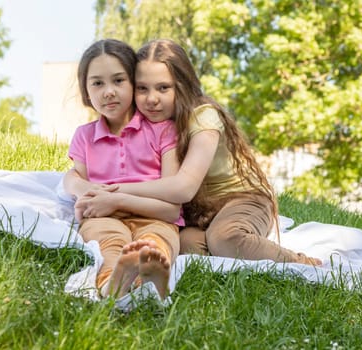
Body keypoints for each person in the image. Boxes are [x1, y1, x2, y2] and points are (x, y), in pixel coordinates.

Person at [80, 39, 321, 266]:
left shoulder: (203, 117)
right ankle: (239, 247)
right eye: (143, 88)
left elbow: (183, 187)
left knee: (225, 239)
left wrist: (114, 190)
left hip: (242, 199)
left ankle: (301, 263)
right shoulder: (151, 124)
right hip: (200, 213)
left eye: (163, 88)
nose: (152, 99)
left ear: (183, 86)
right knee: (186, 246)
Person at [62, 39, 183, 300]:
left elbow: (172, 209)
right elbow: (79, 187)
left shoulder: (163, 130)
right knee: (109, 242)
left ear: (134, 83)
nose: (109, 92)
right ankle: (112, 283)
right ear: (86, 90)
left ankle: (149, 272)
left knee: (157, 239)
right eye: (97, 83)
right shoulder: (84, 136)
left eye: (119, 81)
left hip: (154, 216)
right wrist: (80, 188)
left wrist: (114, 199)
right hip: (104, 218)